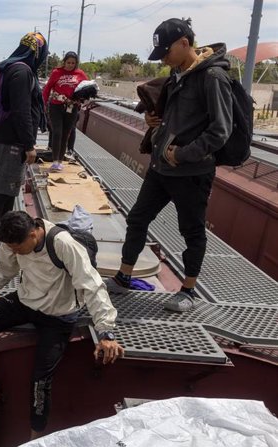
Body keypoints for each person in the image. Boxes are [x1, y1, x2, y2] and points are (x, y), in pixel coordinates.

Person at [0, 211, 123, 439]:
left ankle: (34, 439)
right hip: (26, 300)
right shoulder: (14, 240)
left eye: (17, 248)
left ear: (34, 234)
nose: (14, 252)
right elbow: (6, 267)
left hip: (58, 315)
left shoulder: (63, 244)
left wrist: (105, 331)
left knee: (40, 381)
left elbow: (91, 285)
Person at [105, 18, 234, 312]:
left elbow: (221, 130)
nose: (163, 59)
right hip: (161, 168)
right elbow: (177, 118)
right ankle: (124, 277)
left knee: (191, 230)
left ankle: (188, 291)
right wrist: (154, 122)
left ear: (184, 43)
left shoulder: (212, 77)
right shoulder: (178, 74)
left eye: (166, 52)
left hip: (191, 172)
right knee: (137, 218)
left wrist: (184, 154)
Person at [0, 32, 48, 262]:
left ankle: (0, 241)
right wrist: (29, 144)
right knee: (2, 194)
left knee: (7, 193)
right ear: (38, 52)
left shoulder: (14, 68)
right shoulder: (22, 72)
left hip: (8, 140)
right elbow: (22, 111)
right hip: (12, 142)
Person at [42, 52, 89, 172]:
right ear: (64, 62)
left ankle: (60, 161)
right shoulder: (57, 72)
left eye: (73, 63)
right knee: (57, 132)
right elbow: (47, 88)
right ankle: (55, 160)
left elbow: (87, 88)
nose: (70, 65)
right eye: (68, 62)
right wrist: (43, 103)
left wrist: (83, 98)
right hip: (56, 106)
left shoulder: (80, 74)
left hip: (71, 108)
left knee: (65, 133)